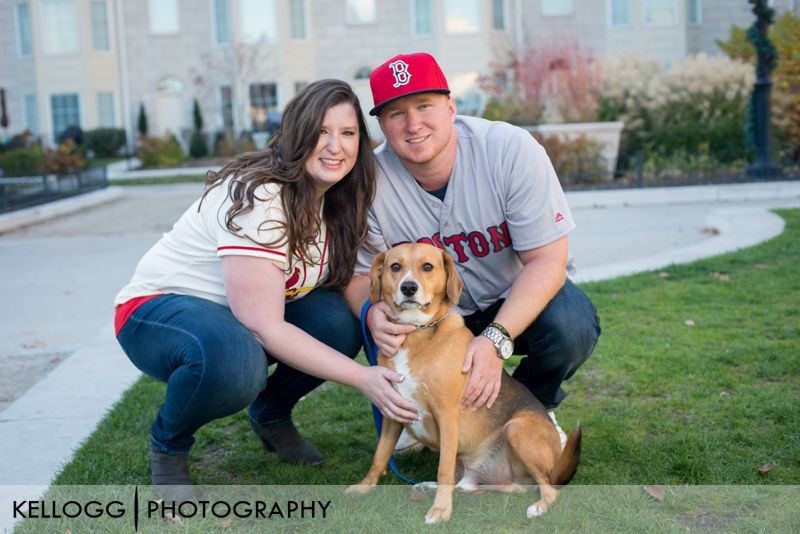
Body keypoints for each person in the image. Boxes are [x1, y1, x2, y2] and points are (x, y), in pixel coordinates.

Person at [114, 80, 419, 499]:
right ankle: (169, 445)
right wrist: (363, 378)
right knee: (236, 363)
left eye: (347, 134)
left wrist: (370, 311)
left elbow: (347, 279)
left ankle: (271, 415)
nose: (335, 146)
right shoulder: (262, 194)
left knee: (338, 320)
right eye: (321, 132)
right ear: (297, 133)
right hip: (156, 312)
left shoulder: (336, 200)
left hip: (232, 318)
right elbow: (264, 326)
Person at [344, 53, 601, 449]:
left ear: (450, 106)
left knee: (572, 324)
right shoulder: (369, 183)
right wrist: (371, 309)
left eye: (424, 106)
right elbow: (360, 277)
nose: (413, 125)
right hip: (431, 318)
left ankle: (532, 407)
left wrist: (497, 339)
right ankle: (422, 416)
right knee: (376, 318)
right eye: (396, 113)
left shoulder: (510, 150)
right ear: (381, 125)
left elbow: (549, 261)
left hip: (509, 303)